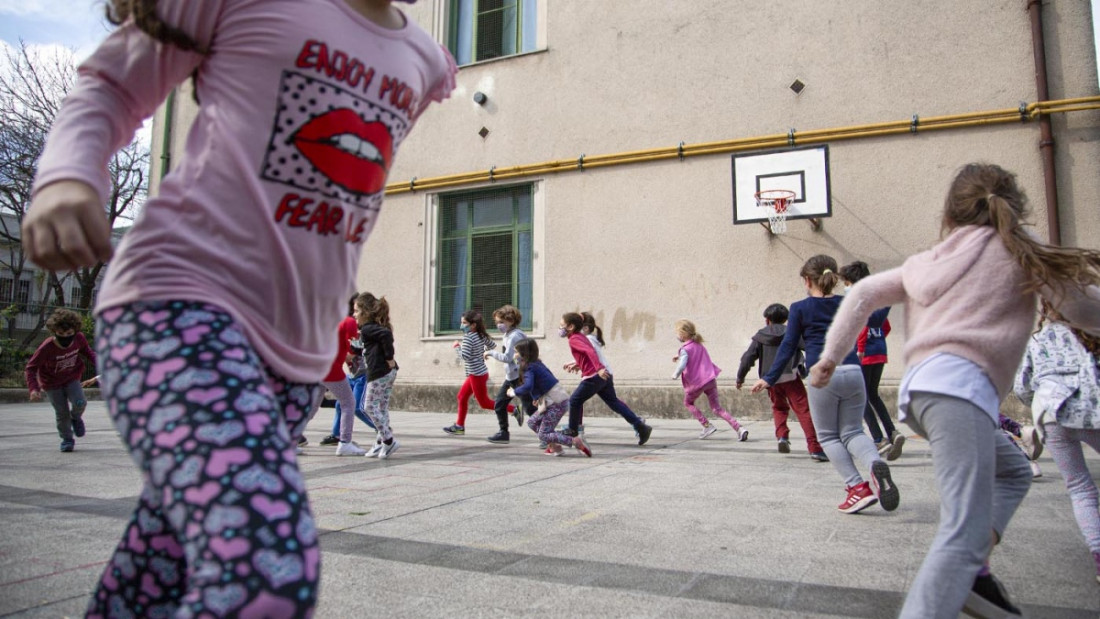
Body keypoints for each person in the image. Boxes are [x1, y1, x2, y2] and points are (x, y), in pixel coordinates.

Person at [21, 0, 456, 614]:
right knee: (265, 570)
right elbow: (112, 86)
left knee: (161, 561)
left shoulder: (424, 59)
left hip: (292, 365)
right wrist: (68, 176)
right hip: (176, 312)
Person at [811, 163, 1100, 617]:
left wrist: (830, 357)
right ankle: (963, 571)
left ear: (952, 214)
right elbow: (1082, 307)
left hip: (924, 394)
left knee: (1014, 473)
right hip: (959, 393)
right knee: (959, 533)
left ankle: (975, 577)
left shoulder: (932, 259)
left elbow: (865, 292)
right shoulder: (1019, 250)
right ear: (1014, 207)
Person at [751, 255, 899, 516]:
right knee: (853, 431)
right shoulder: (847, 302)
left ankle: (857, 488)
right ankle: (875, 462)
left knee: (829, 436)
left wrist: (769, 377)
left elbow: (787, 346)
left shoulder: (799, 308)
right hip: (854, 371)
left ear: (807, 280)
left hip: (823, 373)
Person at [1015, 299, 1100, 583]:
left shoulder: (1038, 338)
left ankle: (1099, 556)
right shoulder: (1090, 331)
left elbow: (1022, 386)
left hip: (1050, 412)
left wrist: (1036, 402)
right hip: (1090, 410)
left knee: (1079, 487)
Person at [736, 303, 826, 460]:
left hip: (770, 380)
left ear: (767, 320)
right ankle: (814, 448)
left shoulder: (760, 337)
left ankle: (782, 436)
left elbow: (747, 358)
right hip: (792, 376)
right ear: (786, 319)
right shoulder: (792, 333)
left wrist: (740, 377)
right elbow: (810, 347)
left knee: (779, 408)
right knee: (803, 411)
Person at [839, 261, 905, 460]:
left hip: (864, 353)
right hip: (879, 351)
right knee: (873, 394)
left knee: (862, 398)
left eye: (847, 282)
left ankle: (878, 439)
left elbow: (860, 326)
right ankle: (893, 432)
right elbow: (886, 327)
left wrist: (859, 349)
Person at [561, 312, 653, 447]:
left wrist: (598, 368)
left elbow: (590, 352)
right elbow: (587, 354)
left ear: (570, 326)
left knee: (575, 400)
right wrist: (578, 364)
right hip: (603, 375)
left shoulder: (574, 339)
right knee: (613, 402)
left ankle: (574, 430)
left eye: (561, 325)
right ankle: (640, 426)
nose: (560, 328)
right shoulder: (581, 336)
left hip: (595, 376)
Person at [25, 308, 96, 452]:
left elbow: (89, 353)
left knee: (80, 402)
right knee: (61, 412)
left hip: (71, 378)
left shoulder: (79, 339)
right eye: (61, 334)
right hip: (51, 384)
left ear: (75, 331)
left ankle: (76, 418)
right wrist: (34, 389)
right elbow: (31, 368)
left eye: (69, 334)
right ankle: (67, 439)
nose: (66, 338)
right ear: (54, 332)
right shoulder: (47, 347)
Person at [510, 338, 591, 456]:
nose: (514, 354)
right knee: (532, 422)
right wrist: (537, 397)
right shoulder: (536, 364)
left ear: (524, 354)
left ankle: (573, 440)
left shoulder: (530, 368)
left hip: (556, 404)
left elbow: (528, 386)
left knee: (543, 434)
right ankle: (554, 447)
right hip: (554, 401)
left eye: (516, 351)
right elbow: (544, 381)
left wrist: (513, 392)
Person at [672, 319, 748, 441]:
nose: (677, 336)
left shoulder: (685, 349)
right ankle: (739, 428)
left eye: (677, 333)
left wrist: (675, 375)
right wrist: (679, 356)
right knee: (717, 409)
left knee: (688, 403)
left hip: (697, 383)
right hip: (710, 380)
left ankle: (706, 425)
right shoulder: (699, 345)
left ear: (683, 334)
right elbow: (690, 356)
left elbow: (682, 364)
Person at [443, 310, 510, 440]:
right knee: (461, 396)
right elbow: (492, 345)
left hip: (476, 375)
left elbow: (465, 357)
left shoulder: (469, 337)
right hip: (479, 373)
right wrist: (482, 353)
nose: (461, 325)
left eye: (464, 323)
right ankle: (459, 426)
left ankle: (514, 409)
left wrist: (457, 347)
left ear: (473, 325)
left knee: (484, 403)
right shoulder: (480, 335)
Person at [324, 293, 371, 456]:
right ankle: (345, 442)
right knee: (349, 402)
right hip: (332, 368)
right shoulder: (349, 321)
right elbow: (352, 349)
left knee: (313, 406)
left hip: (319, 366)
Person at [356, 293, 400, 459]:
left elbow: (386, 335)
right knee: (381, 407)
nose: (354, 315)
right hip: (386, 372)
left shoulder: (368, 328)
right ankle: (381, 441)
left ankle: (388, 440)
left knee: (368, 406)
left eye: (356, 311)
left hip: (379, 372)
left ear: (365, 312)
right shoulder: (369, 328)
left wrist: (389, 358)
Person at [486, 304, 533, 436]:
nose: (498, 325)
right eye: (497, 322)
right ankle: (503, 433)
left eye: (501, 322)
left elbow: (507, 357)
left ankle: (546, 435)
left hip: (520, 377)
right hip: (511, 377)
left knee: (530, 408)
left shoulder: (514, 336)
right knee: (499, 405)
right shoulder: (508, 334)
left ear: (511, 320)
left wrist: (491, 353)